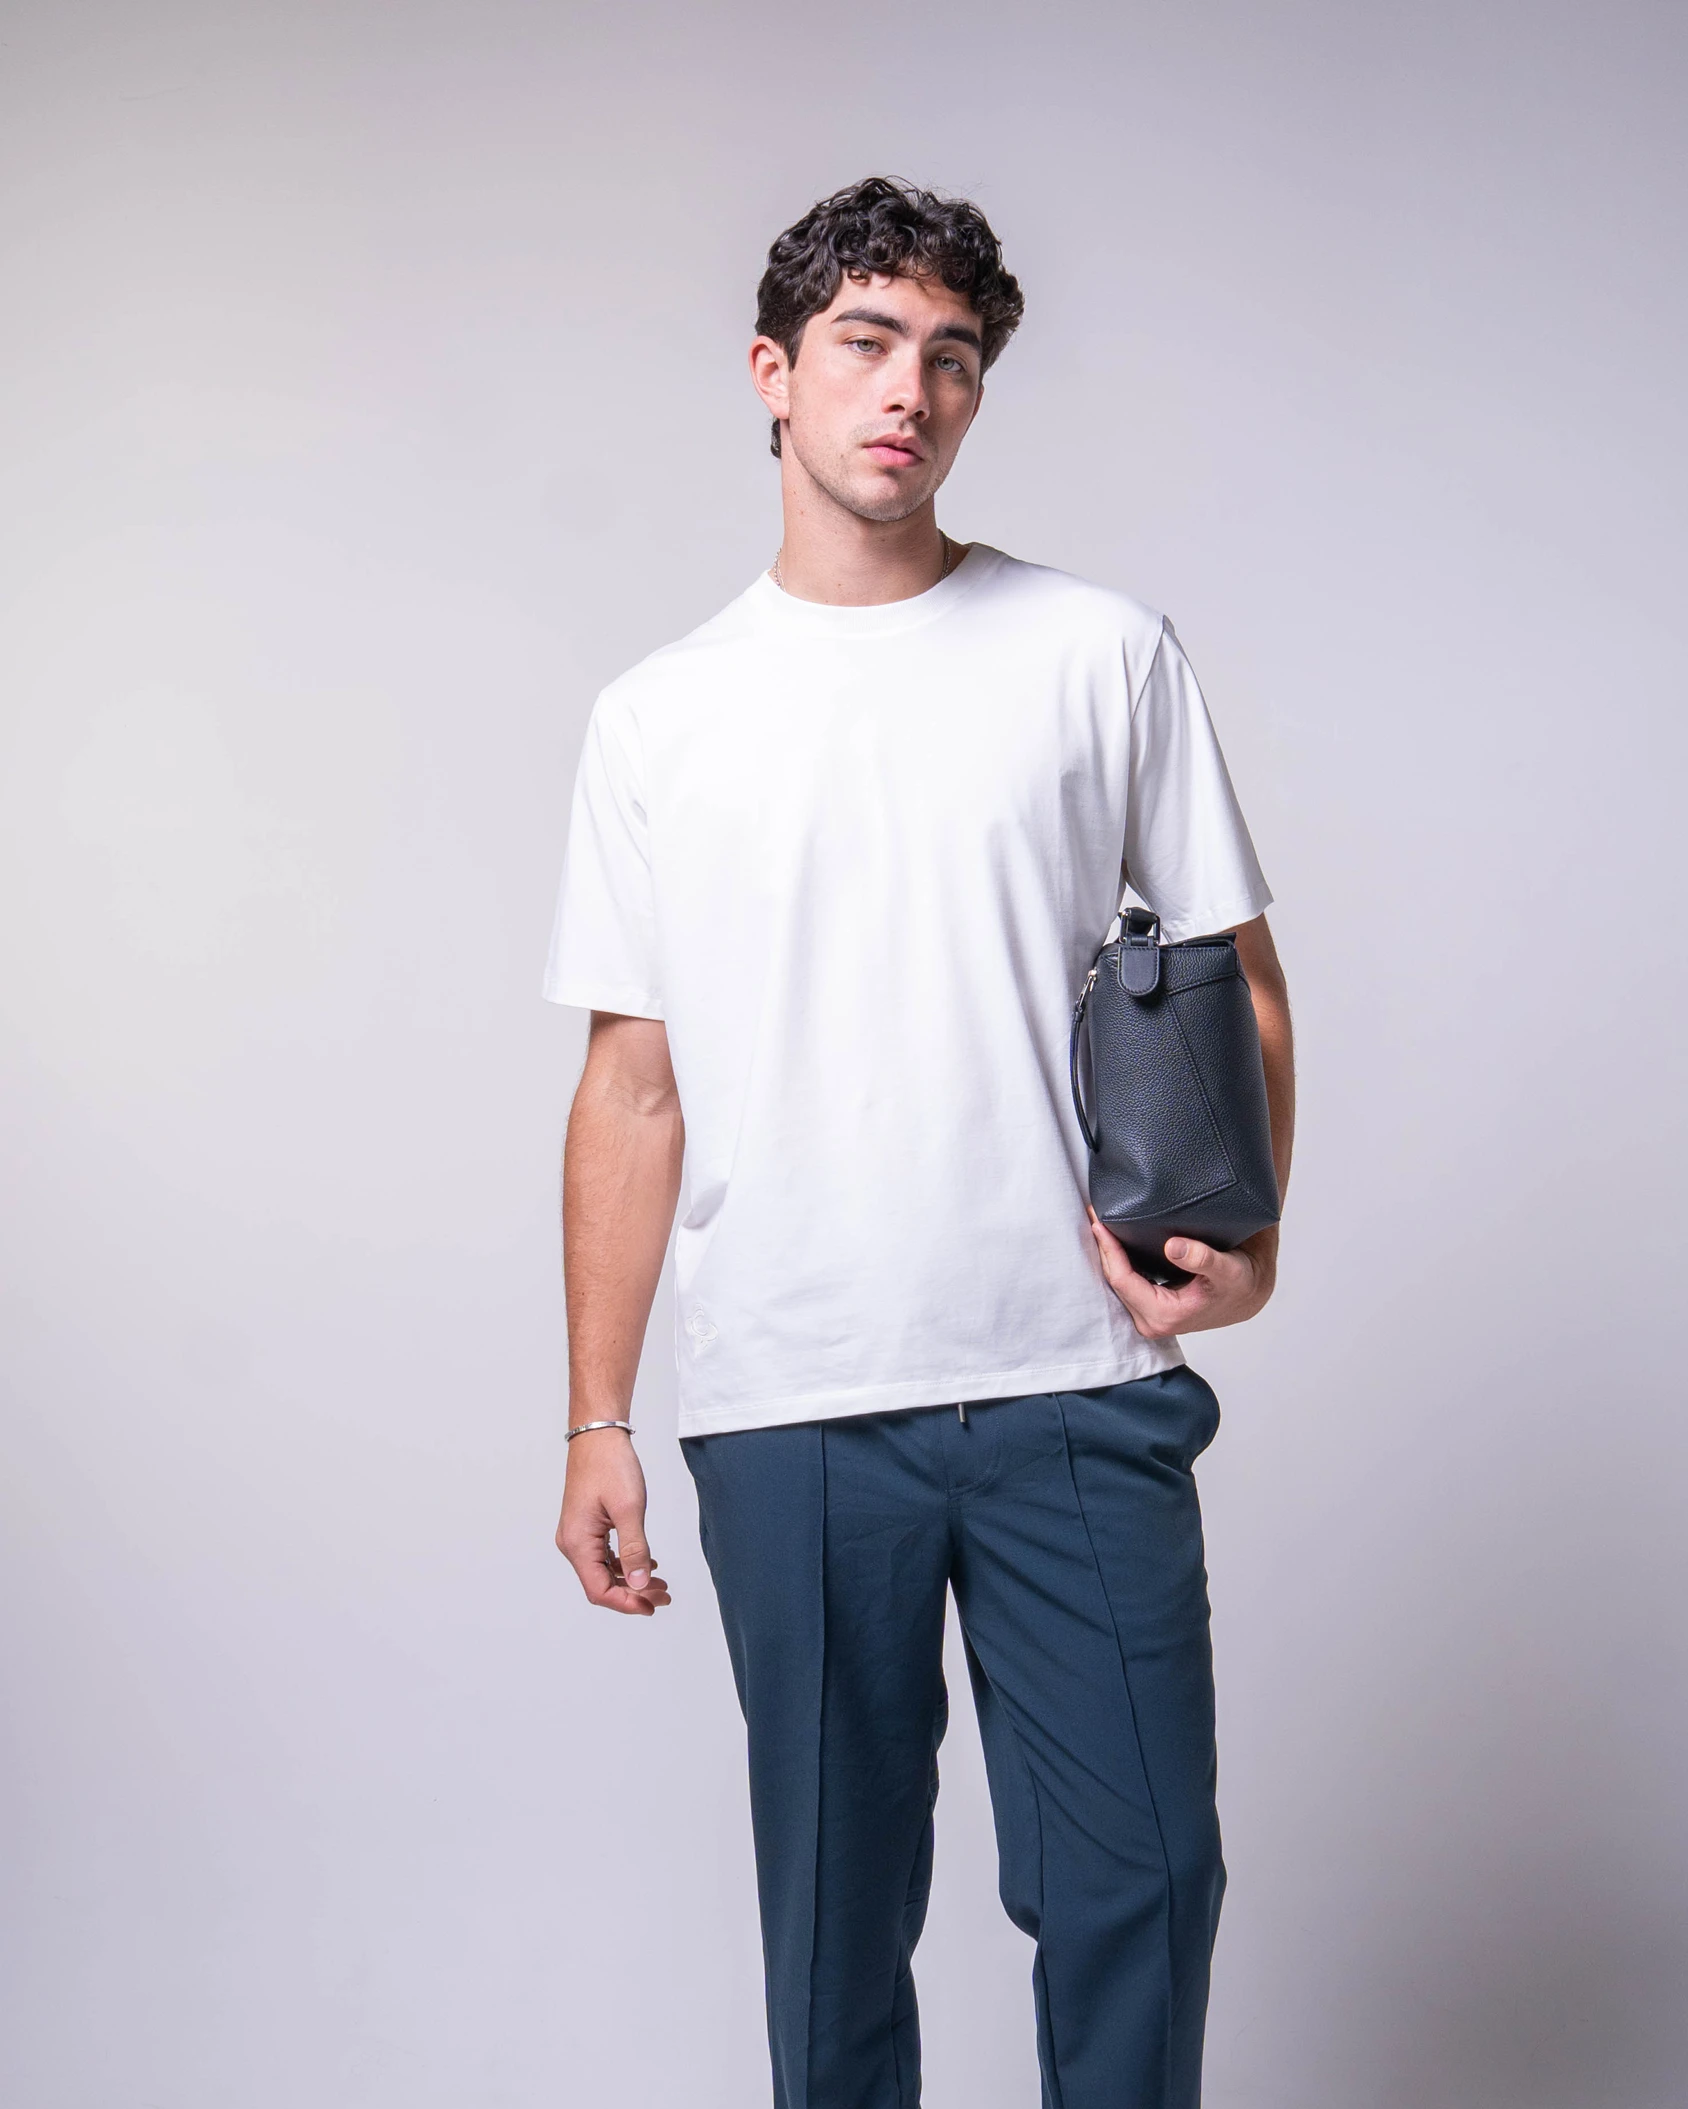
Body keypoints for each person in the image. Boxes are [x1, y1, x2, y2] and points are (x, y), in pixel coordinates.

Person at [545, 175, 1294, 2109]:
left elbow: (1236, 977)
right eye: (869, 344)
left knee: (1145, 1882)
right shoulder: (659, 718)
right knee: (832, 1920)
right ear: (773, 373)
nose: (911, 392)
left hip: (1077, 1380)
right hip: (793, 1401)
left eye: (952, 358)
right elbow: (634, 1083)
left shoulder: (1099, 651)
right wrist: (598, 1416)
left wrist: (1247, 1238)